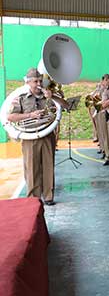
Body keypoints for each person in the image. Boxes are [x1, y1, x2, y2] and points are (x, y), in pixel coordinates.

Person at [8, 68, 68, 205]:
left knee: (48, 166)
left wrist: (52, 97)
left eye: (40, 80)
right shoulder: (21, 98)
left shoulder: (49, 95)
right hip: (30, 138)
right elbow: (11, 117)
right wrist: (30, 115)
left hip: (47, 136)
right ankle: (33, 199)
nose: (38, 83)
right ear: (28, 82)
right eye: (35, 81)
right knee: (31, 168)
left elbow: (66, 106)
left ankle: (48, 196)